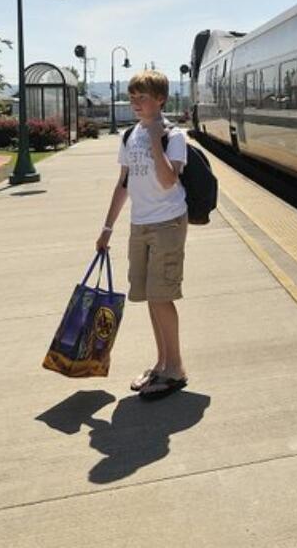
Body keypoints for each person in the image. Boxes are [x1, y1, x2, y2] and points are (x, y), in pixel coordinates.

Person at [96, 70, 190, 399]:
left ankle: (175, 369)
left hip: (168, 222)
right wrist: (107, 228)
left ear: (160, 99)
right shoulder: (128, 136)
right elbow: (124, 184)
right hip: (140, 224)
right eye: (132, 96)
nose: (136, 102)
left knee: (161, 295)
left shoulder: (173, 136)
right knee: (150, 296)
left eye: (143, 97)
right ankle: (161, 363)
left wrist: (153, 138)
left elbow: (168, 181)